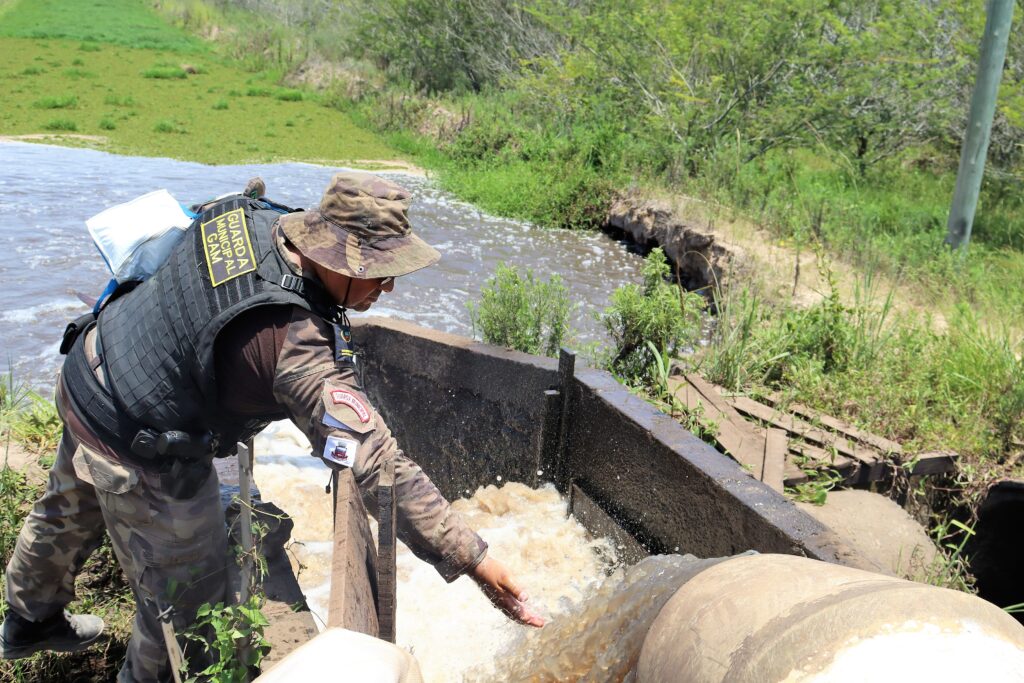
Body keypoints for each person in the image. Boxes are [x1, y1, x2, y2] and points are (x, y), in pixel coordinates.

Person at [1, 172, 544, 681]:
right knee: (187, 606)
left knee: (67, 505)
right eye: (379, 272)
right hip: (141, 442)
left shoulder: (255, 217)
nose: (388, 288)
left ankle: (28, 620)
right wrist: (477, 560)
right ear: (340, 258)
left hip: (93, 368)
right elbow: (376, 461)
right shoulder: (292, 343)